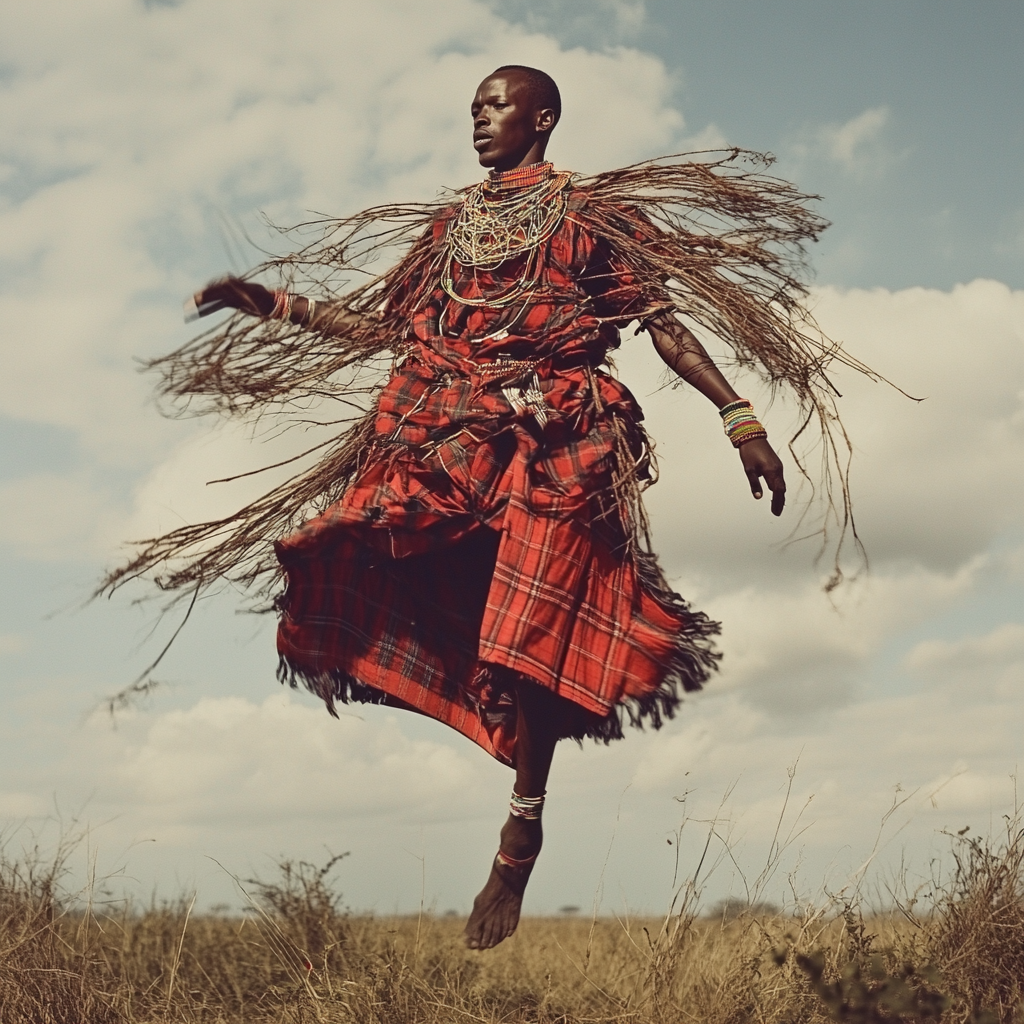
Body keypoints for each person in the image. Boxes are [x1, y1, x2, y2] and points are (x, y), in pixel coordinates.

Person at [106, 66, 861, 950]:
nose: (478, 121)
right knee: (345, 547)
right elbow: (386, 331)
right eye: (472, 109)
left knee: (528, 639)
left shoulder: (593, 218)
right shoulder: (448, 228)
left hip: (558, 445)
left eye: (495, 107)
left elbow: (662, 321)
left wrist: (740, 420)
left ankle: (520, 838)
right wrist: (270, 303)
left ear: (541, 118)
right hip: (443, 437)